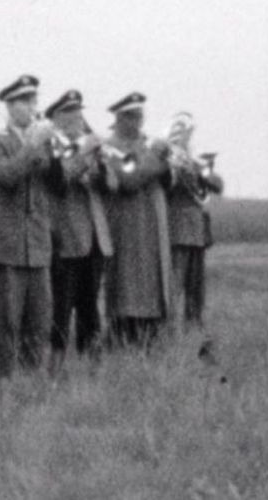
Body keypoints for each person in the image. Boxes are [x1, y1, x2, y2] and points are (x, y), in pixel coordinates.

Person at [0, 75, 58, 377]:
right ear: (10, 106)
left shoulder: (42, 143)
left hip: (37, 242)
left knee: (40, 317)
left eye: (34, 101)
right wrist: (32, 146)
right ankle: (7, 380)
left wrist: (59, 153)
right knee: (8, 319)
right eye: (25, 102)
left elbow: (58, 183)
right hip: (8, 243)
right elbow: (6, 176)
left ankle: (35, 377)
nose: (32, 107)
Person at [44, 90, 115, 371]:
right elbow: (58, 182)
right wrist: (85, 153)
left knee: (90, 308)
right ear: (57, 118)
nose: (78, 119)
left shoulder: (88, 148)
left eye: (79, 112)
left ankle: (92, 367)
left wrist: (100, 163)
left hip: (95, 239)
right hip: (66, 238)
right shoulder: (51, 146)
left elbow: (111, 186)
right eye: (71, 113)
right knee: (61, 307)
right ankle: (54, 370)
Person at [99, 92, 173, 347]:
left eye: (140, 116)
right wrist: (157, 162)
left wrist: (167, 162)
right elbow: (128, 180)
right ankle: (122, 338)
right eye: (132, 117)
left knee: (153, 287)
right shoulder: (110, 147)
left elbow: (168, 180)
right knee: (127, 288)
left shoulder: (148, 145)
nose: (138, 123)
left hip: (155, 230)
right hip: (127, 229)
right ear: (119, 118)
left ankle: (152, 336)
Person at [164, 112, 224, 329]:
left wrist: (202, 169)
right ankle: (169, 334)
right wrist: (180, 165)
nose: (187, 136)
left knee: (196, 292)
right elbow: (169, 184)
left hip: (197, 232)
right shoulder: (171, 158)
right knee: (174, 287)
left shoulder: (194, 160)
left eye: (188, 132)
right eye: (183, 131)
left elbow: (218, 185)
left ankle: (194, 333)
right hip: (178, 230)